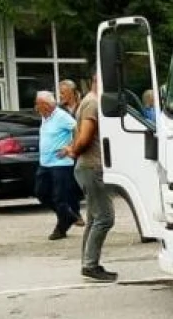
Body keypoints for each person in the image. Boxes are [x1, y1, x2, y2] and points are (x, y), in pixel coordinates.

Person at [62, 73, 117, 282]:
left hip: (87, 166)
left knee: (94, 218)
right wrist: (75, 150)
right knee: (105, 217)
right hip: (93, 166)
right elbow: (84, 137)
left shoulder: (87, 102)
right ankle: (90, 265)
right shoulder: (93, 104)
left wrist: (73, 149)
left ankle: (88, 262)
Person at [33, 91, 83, 240]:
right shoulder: (45, 116)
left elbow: (79, 130)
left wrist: (71, 147)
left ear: (46, 105)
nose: (36, 107)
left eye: (38, 104)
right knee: (40, 192)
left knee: (59, 197)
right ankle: (68, 216)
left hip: (61, 164)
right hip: (45, 163)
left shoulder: (62, 116)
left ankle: (61, 228)